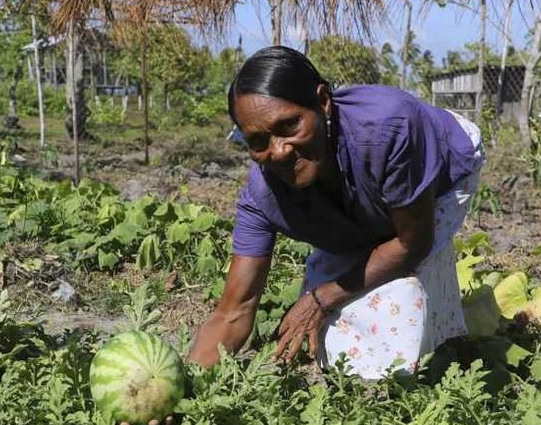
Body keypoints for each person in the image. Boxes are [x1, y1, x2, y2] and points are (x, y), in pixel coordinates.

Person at [187, 45, 485, 379]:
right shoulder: (262, 196)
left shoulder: (389, 126)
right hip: (363, 202)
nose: (280, 151)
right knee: (337, 317)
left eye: (289, 126)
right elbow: (233, 311)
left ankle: (411, 377)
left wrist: (321, 298)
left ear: (323, 101)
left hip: (442, 169)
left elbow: (411, 242)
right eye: (258, 141)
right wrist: (178, 385)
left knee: (393, 299)